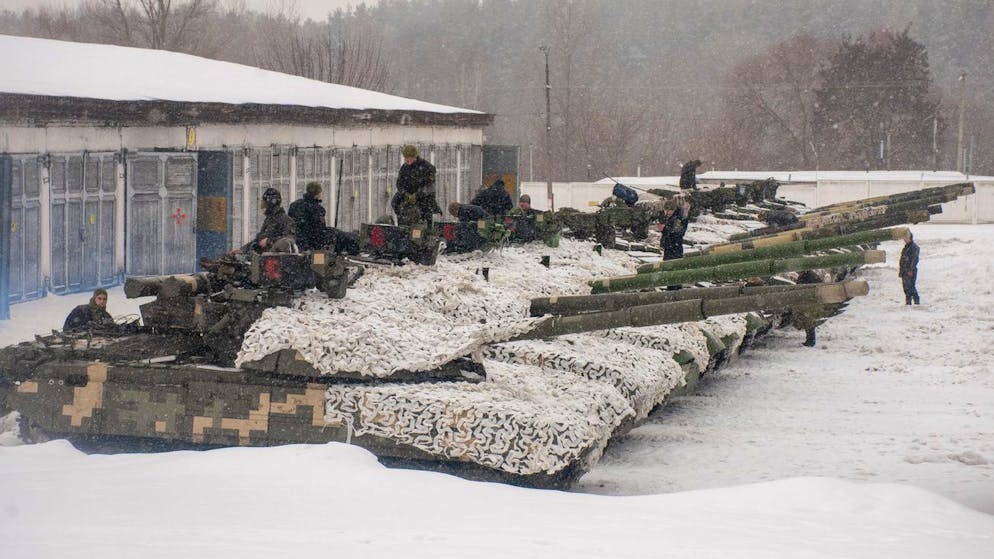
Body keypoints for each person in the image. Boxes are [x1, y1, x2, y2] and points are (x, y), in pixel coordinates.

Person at [392, 144, 440, 226]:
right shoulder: (404, 168)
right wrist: (405, 194)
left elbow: (429, 186)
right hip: (407, 195)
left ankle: (425, 228)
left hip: (423, 197)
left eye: (408, 157)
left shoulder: (427, 167)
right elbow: (399, 184)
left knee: (426, 210)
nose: (406, 159)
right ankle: (403, 225)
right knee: (395, 202)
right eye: (405, 157)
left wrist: (417, 195)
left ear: (414, 156)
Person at [239, 187, 295, 254]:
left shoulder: (286, 220)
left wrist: (269, 241)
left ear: (271, 204)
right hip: (263, 257)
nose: (262, 206)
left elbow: (289, 240)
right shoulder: (269, 220)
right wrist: (241, 250)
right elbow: (258, 241)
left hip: (275, 258)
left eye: (264, 203)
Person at [287, 182, 327, 251]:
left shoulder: (294, 205)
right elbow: (320, 230)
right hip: (312, 246)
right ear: (317, 194)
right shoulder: (318, 209)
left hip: (295, 245)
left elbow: (290, 223)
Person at [899, 231, 920, 305]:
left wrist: (911, 269)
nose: (904, 239)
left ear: (909, 238)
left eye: (905, 238)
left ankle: (916, 303)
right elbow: (902, 259)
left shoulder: (914, 247)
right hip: (905, 270)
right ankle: (908, 304)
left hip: (910, 271)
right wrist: (901, 271)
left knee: (911, 288)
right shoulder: (906, 247)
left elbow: (915, 259)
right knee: (906, 288)